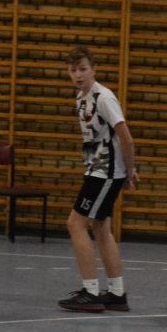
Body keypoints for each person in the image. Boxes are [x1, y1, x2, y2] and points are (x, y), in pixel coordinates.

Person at [58, 45, 138, 312]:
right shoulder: (81, 98)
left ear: (94, 69)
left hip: (105, 172)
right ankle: (117, 293)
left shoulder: (104, 98)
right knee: (101, 227)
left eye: (83, 69)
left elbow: (126, 137)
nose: (78, 75)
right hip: (96, 170)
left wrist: (129, 171)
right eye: (73, 70)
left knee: (75, 223)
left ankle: (91, 291)